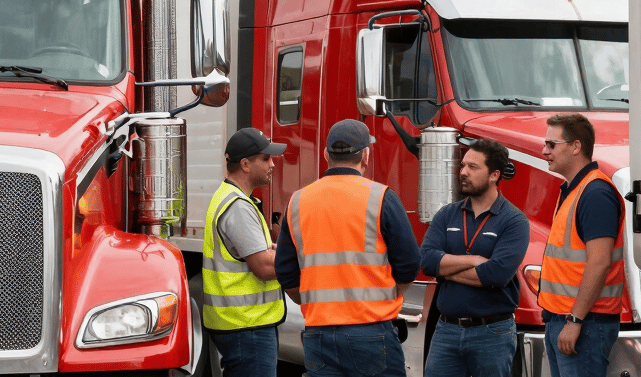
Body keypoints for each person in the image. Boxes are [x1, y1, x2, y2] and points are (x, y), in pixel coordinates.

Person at [275, 119, 420, 377]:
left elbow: (285, 272)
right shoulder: (381, 197)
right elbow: (409, 264)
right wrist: (389, 292)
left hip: (319, 333)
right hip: (371, 330)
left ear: (325, 155)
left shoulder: (297, 202)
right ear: (365, 155)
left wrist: (314, 302)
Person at [420, 139, 531, 377]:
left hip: (492, 334)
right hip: (446, 330)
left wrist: (445, 268)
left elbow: (496, 274)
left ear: (494, 175)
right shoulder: (447, 214)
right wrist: (472, 260)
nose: (463, 172)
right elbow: (427, 261)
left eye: (473, 167)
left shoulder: (514, 221)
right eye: (463, 166)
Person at [538, 114, 625, 377]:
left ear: (576, 147)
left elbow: (599, 263)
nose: (544, 151)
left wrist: (575, 320)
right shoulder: (574, 190)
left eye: (552, 145)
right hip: (566, 320)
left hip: (584, 322)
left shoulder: (595, 193)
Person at [202, 127, 288, 377]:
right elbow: (263, 266)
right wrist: (306, 260)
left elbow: (254, 252)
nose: (272, 164)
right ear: (245, 164)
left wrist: (275, 249)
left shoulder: (229, 197)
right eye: (266, 158)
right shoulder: (238, 206)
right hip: (247, 326)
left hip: (241, 325)